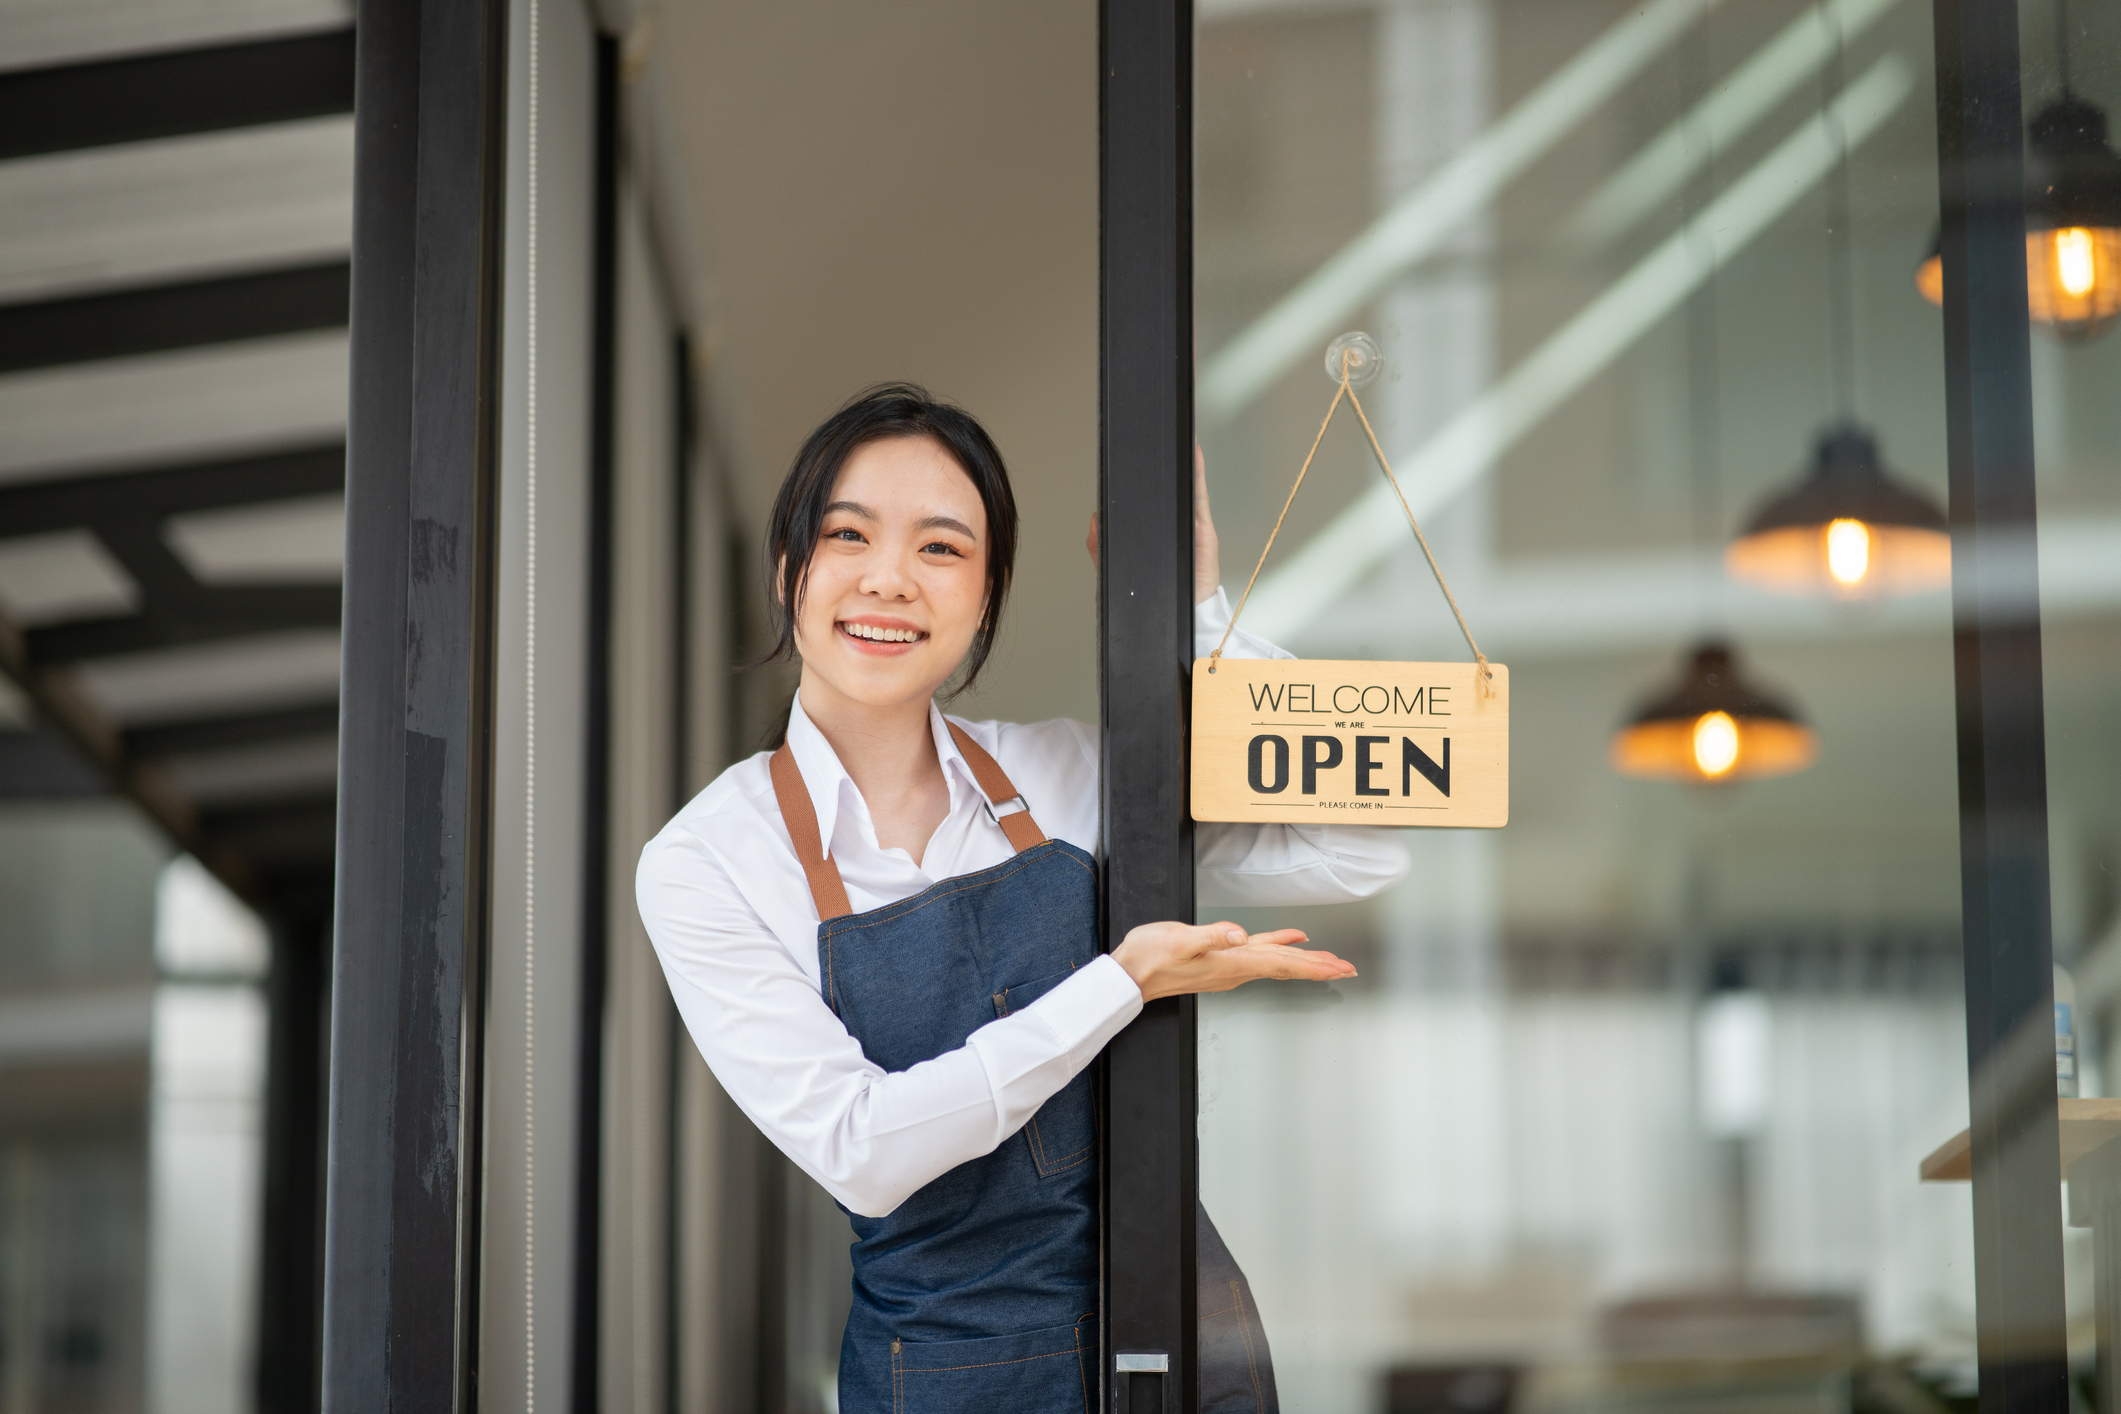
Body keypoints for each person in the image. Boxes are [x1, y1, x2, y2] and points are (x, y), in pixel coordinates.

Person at [636, 384, 1407, 1414]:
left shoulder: (1061, 775)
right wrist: (1118, 985)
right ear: (789, 570)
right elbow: (866, 1150)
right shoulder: (708, 858)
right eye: (847, 534)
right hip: (947, 1379)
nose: (890, 579)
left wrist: (1200, 611)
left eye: (942, 549)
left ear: (989, 592)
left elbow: (1358, 843)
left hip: (1174, 1349)